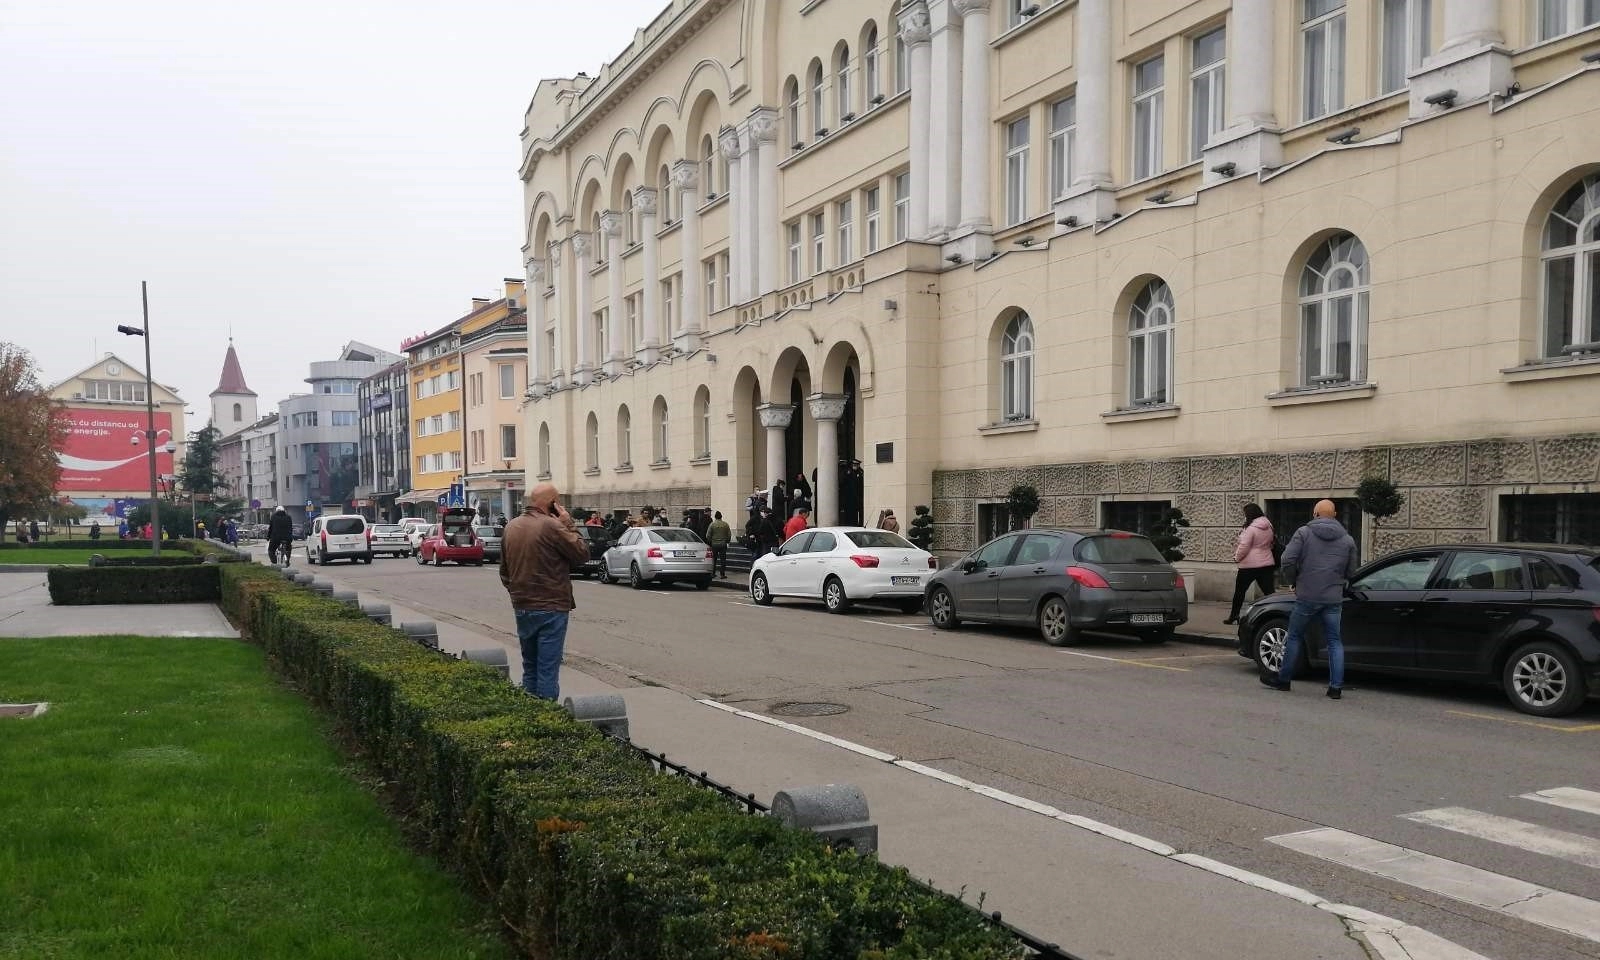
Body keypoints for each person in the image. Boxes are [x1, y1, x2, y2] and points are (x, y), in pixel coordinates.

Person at [499, 482, 590, 701]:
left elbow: (504, 572)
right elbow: (581, 553)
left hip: (522, 606)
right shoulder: (552, 526)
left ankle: (529, 711)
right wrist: (568, 523)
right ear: (553, 503)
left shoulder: (511, 526)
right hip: (551, 606)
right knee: (547, 669)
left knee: (530, 666)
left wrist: (518, 593)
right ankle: (547, 715)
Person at [1263, 499, 1359, 699]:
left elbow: (1287, 559)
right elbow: (1351, 571)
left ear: (1315, 514)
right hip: (1333, 598)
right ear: (1335, 515)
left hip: (1307, 594)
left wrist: (1294, 580)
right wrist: (1339, 581)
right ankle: (1335, 688)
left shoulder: (1303, 533)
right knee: (1334, 641)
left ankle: (1284, 680)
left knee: (1295, 636)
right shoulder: (1348, 540)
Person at [1225, 504, 1277, 625]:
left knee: (1240, 592)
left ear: (1249, 514)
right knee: (1269, 592)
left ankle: (1234, 615)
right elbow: (1272, 542)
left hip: (1249, 565)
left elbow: (1244, 546)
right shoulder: (1269, 525)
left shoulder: (1250, 529)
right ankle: (1274, 614)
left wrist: (1236, 558)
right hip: (1266, 563)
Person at [706, 510, 732, 578]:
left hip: (714, 544)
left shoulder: (712, 524)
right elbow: (729, 535)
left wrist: (710, 542)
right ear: (721, 517)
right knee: (723, 560)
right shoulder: (725, 524)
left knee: (714, 560)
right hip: (723, 544)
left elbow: (708, 535)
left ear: (715, 517)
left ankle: (713, 573)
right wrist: (727, 541)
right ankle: (722, 574)